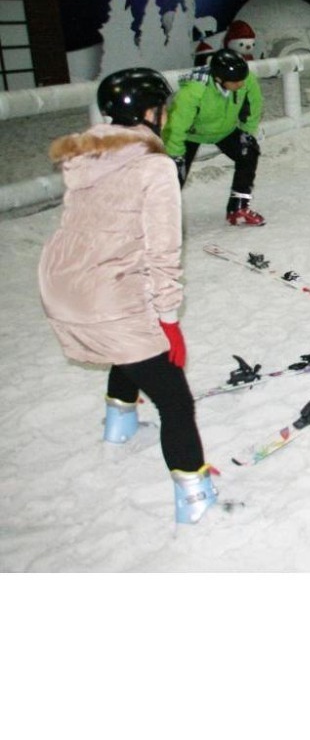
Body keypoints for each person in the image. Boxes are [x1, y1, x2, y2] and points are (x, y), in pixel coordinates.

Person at [38, 68, 218, 525]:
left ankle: (119, 424)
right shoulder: (154, 167)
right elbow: (163, 250)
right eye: (162, 109)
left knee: (126, 340)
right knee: (175, 399)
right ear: (148, 113)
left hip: (61, 285)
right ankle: (195, 495)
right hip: (105, 296)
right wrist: (169, 319)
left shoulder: (85, 157)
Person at [162, 47, 266, 226]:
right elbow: (177, 125)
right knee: (174, 175)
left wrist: (247, 133)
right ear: (219, 78)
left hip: (224, 130)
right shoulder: (194, 91)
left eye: (242, 79)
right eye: (235, 82)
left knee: (249, 152)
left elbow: (254, 105)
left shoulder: (245, 79)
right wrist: (175, 155)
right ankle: (161, 219)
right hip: (190, 135)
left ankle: (238, 207)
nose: (241, 84)